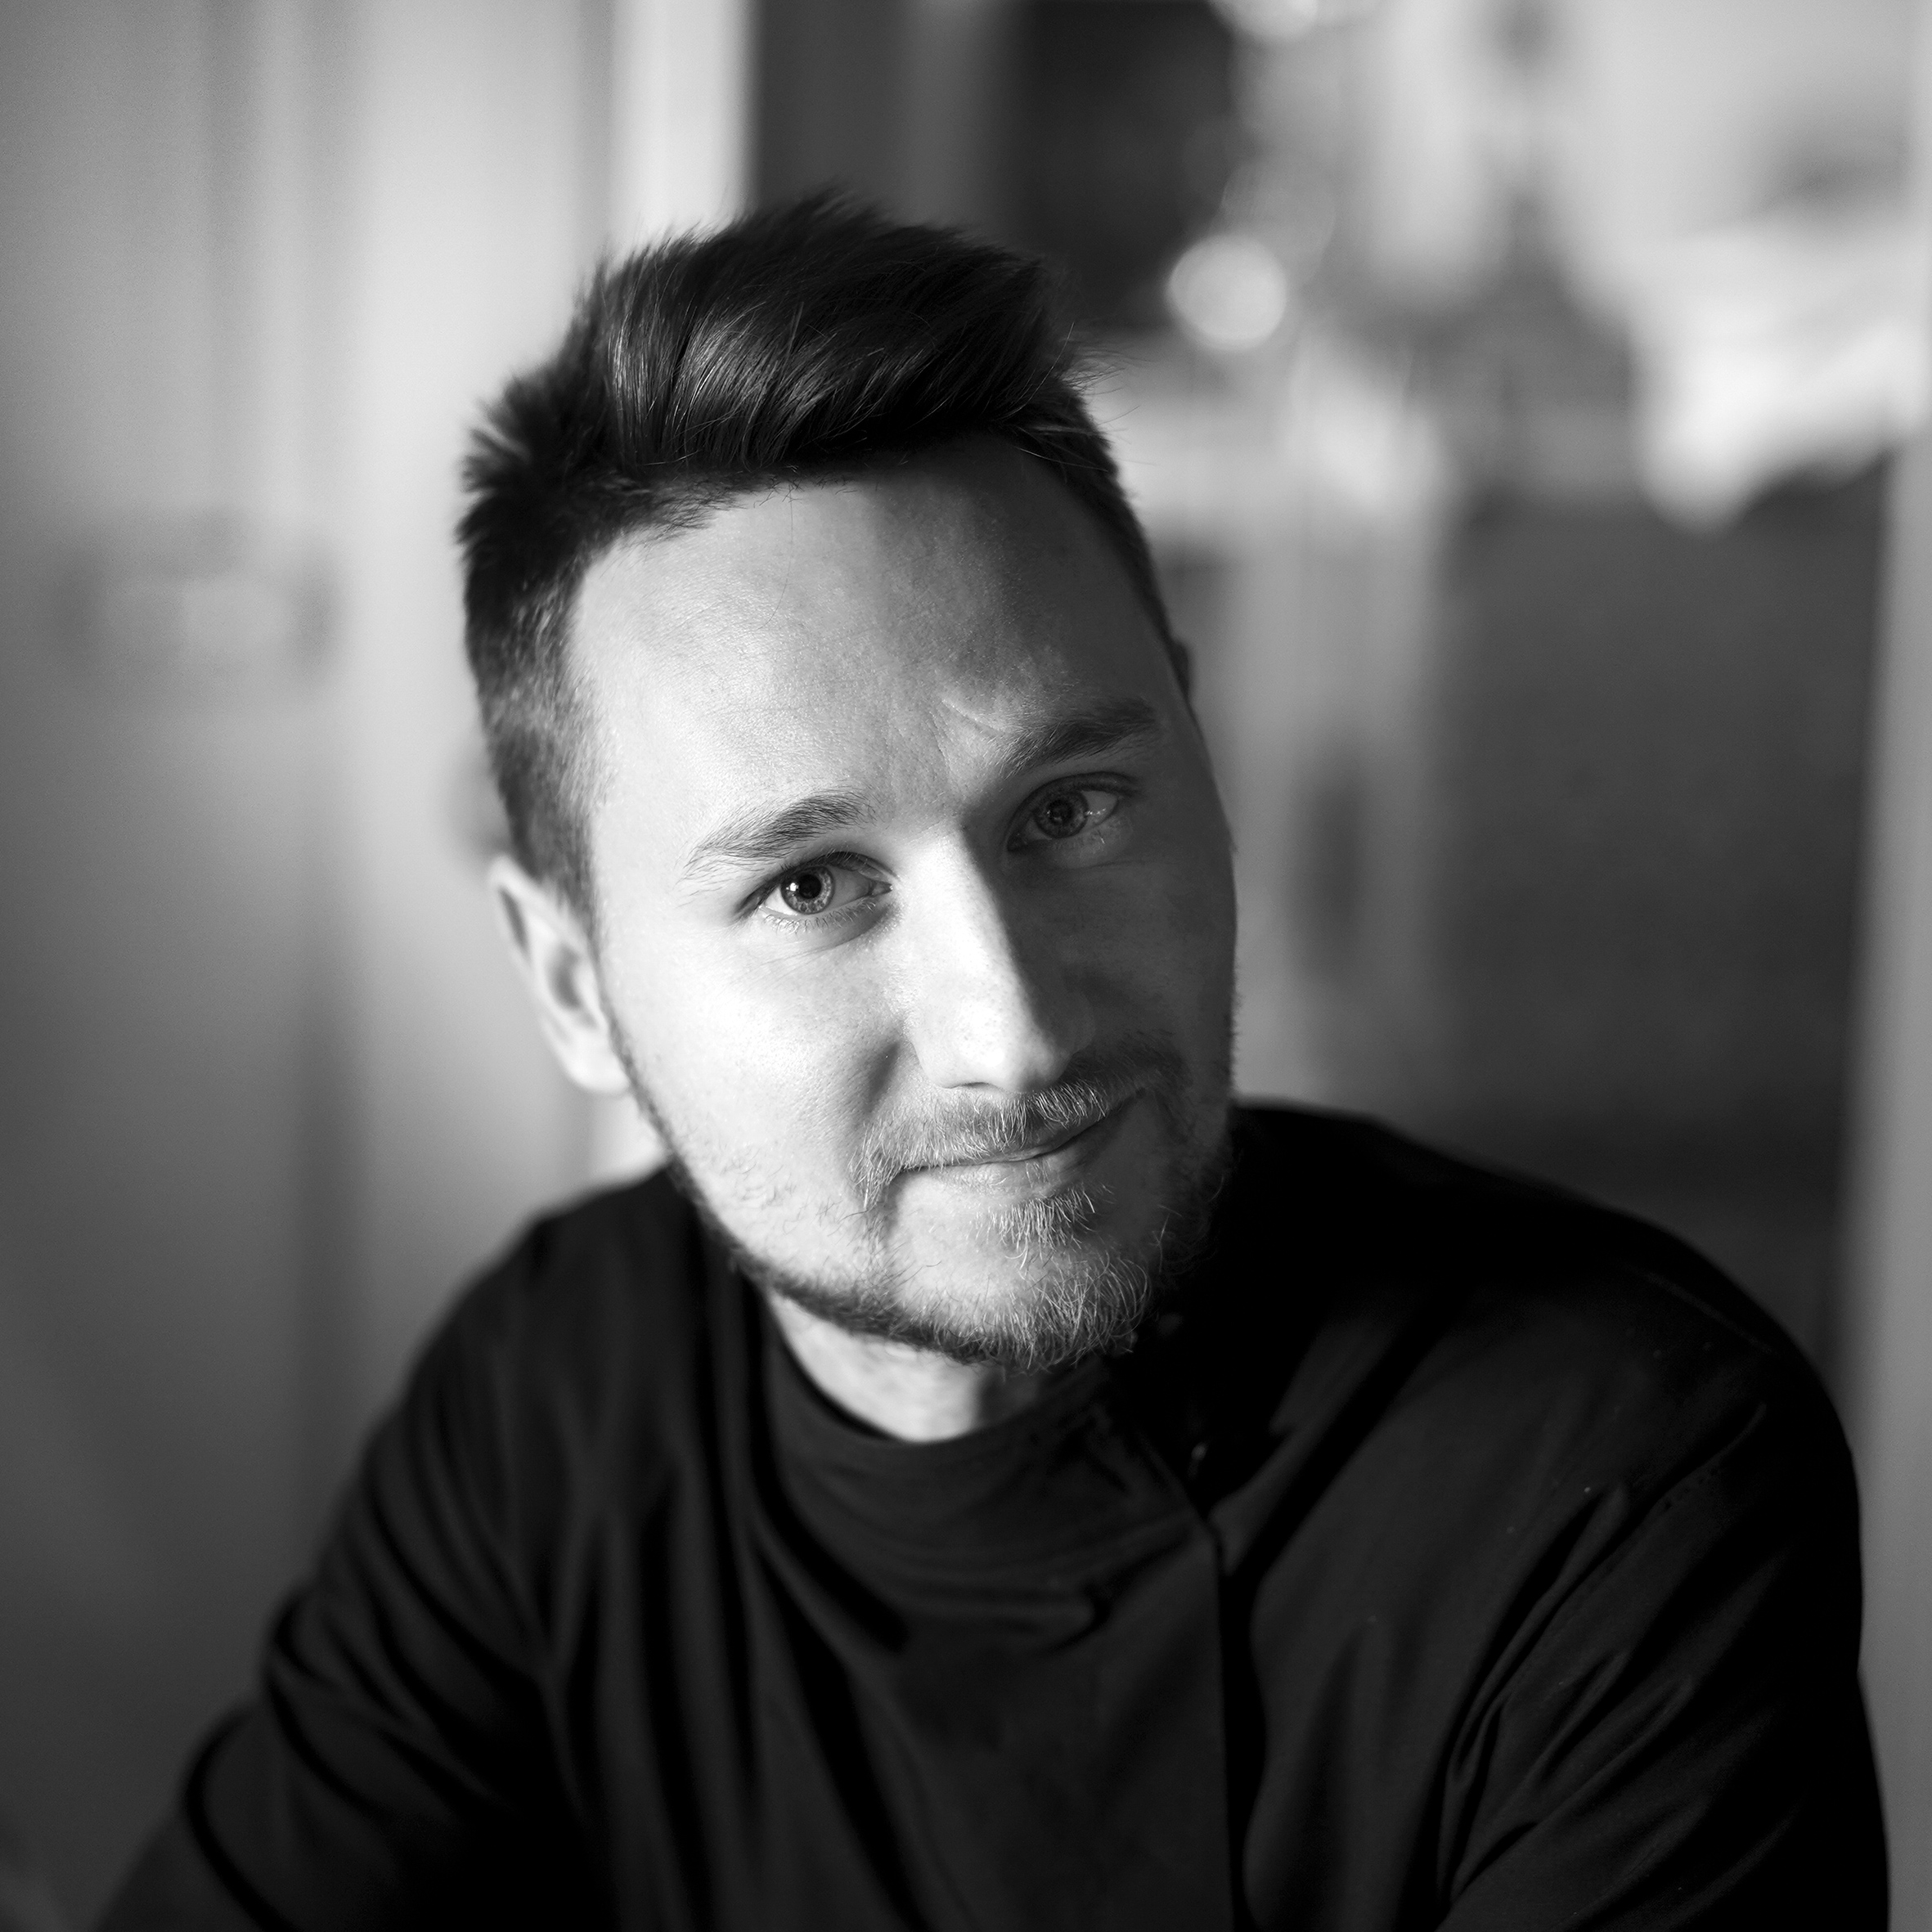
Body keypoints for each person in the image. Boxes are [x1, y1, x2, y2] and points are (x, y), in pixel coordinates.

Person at [101, 196, 1885, 1931]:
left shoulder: (1608, 1481)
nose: (1012, 1027)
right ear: (572, 983)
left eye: (1072, 807)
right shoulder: (553, 1396)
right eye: (813, 885)